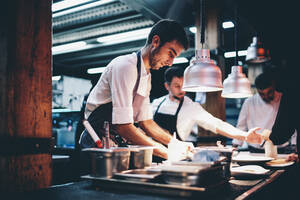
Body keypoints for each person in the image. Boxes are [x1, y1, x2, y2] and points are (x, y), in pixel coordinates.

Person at [79, 19, 190, 159]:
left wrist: (176, 144)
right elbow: (123, 126)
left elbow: (146, 122)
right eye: (170, 54)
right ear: (155, 42)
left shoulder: (145, 76)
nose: (170, 63)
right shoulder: (125, 66)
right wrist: (166, 152)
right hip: (96, 148)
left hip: (116, 148)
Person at [151, 66, 263, 144]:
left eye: (184, 85)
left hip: (174, 156)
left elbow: (217, 124)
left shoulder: (191, 107)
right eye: (177, 86)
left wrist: (244, 136)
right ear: (167, 86)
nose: (182, 90)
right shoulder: (156, 104)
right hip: (153, 152)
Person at [232, 70, 297, 153]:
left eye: (269, 92)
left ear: (274, 87)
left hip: (279, 149)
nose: (266, 96)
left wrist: (294, 145)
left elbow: (293, 124)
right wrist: (234, 147)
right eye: (262, 94)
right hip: (255, 150)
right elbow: (241, 126)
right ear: (257, 90)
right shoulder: (249, 102)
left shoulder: (284, 99)